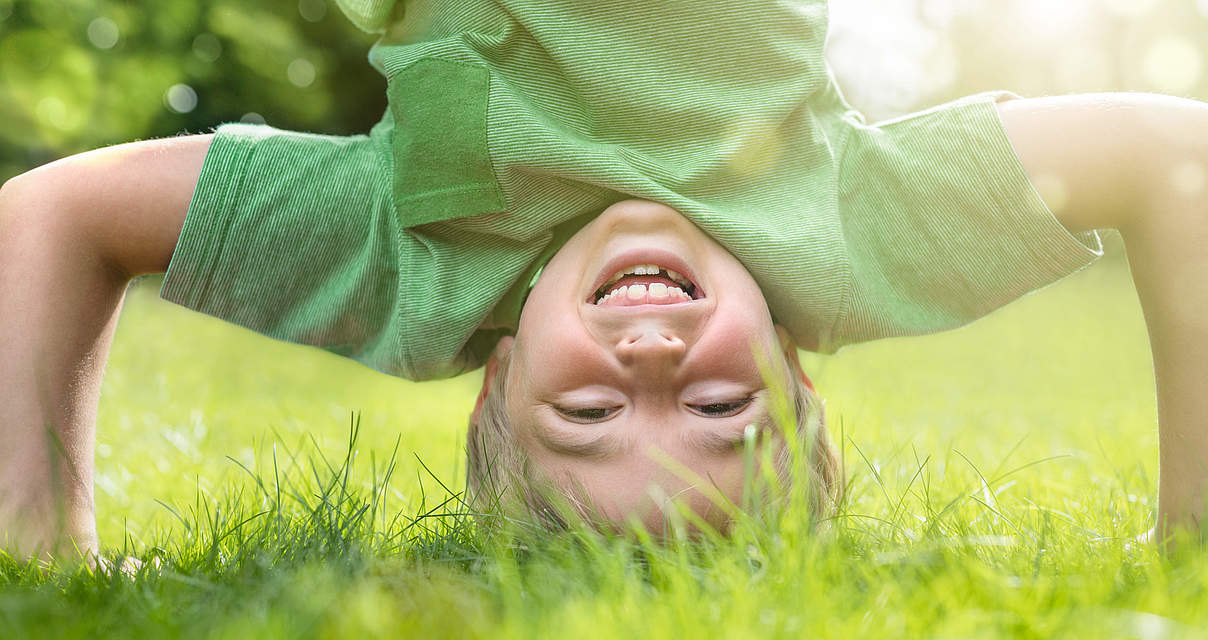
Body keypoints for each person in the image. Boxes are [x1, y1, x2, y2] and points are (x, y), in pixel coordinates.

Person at [2, 0, 1207, 561]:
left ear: (499, 382)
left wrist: (37, 538)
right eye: (723, 412)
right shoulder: (852, 241)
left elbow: (50, 212)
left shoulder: (404, 267)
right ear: (792, 369)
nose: (650, 368)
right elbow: (1174, 156)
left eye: (586, 417)